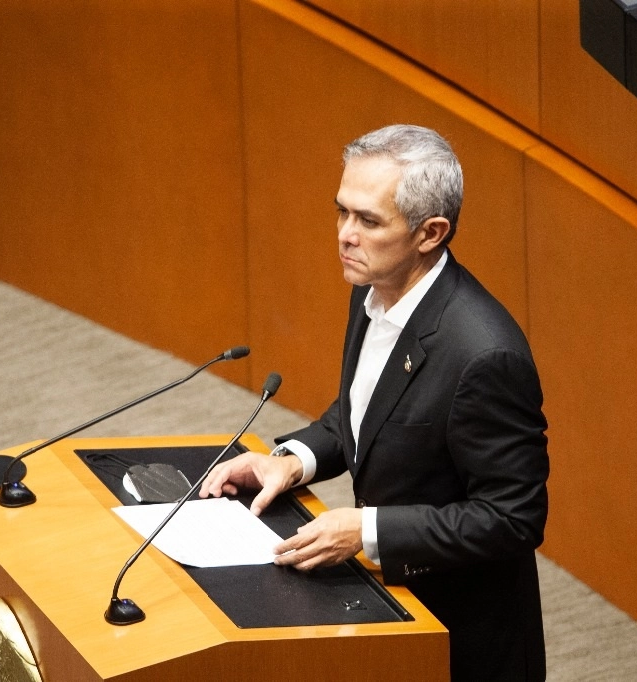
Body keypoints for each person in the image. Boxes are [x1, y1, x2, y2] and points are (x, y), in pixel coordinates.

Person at [200, 124, 549, 681]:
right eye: (341, 212)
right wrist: (292, 461)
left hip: (462, 637)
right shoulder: (373, 288)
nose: (344, 234)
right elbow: (367, 411)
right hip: (391, 614)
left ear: (430, 233)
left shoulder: (485, 356)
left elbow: (513, 518)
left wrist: (366, 531)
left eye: (367, 220)